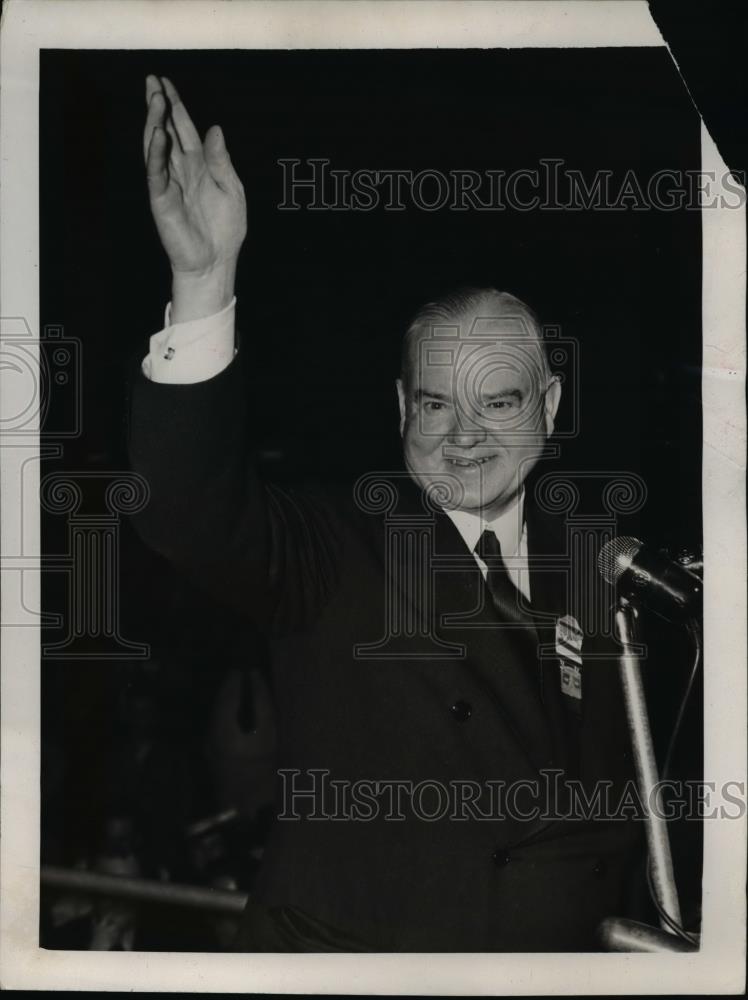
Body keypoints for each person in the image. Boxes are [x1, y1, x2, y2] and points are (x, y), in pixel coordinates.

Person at [128, 75, 643, 951]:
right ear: (401, 407)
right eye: (438, 404)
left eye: (501, 403)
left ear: (551, 408)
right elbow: (186, 508)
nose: (464, 437)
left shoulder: (606, 569)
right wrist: (204, 277)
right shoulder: (340, 548)